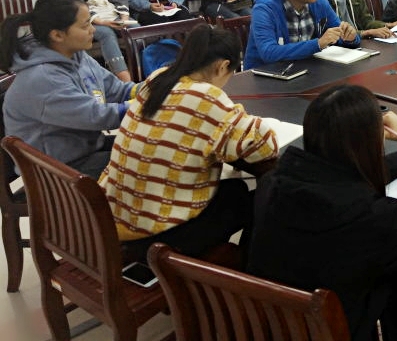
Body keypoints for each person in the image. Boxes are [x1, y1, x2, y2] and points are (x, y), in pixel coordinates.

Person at [247, 84, 397, 341]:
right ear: (370, 142)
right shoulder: (373, 218)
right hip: (340, 328)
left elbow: (342, 174)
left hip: (273, 322)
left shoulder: (271, 184)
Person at [99, 25, 278, 262]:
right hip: (155, 236)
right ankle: (239, 267)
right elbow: (264, 147)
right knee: (253, 197)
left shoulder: (157, 80)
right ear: (223, 66)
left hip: (116, 217)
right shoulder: (207, 98)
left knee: (231, 189)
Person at [0, 0, 135, 179]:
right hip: (53, 172)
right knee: (145, 163)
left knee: (149, 146)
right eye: (85, 25)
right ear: (57, 35)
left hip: (86, 151)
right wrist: (144, 105)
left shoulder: (79, 57)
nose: (93, 30)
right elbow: (96, 116)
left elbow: (117, 91)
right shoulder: (43, 78)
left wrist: (151, 89)